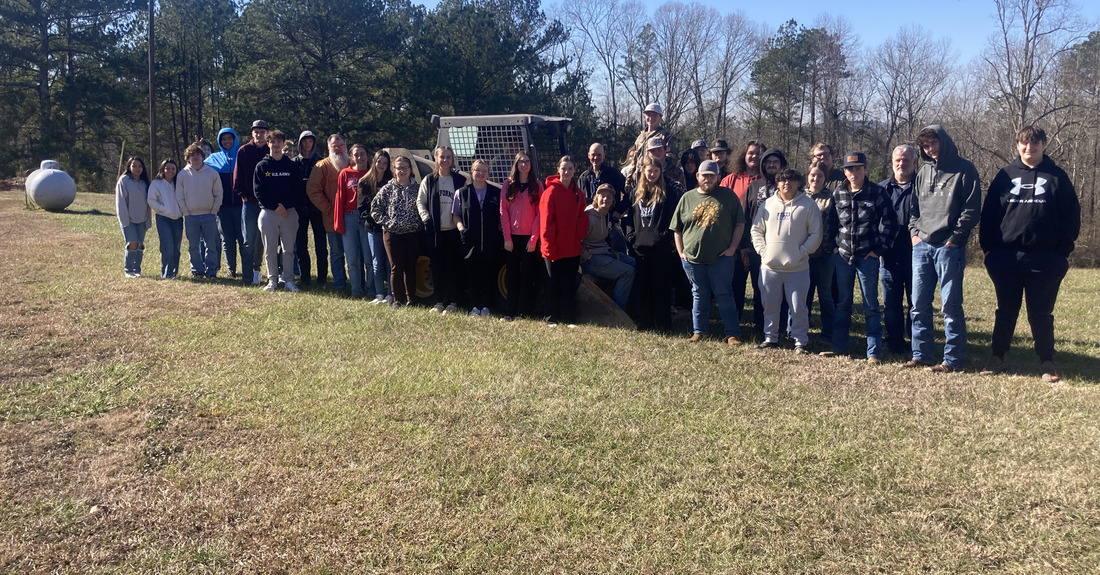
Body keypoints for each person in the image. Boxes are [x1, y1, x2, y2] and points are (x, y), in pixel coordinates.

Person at [979, 125, 1080, 382]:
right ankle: (997, 357)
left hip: (1046, 259)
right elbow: (989, 215)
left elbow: (1071, 216)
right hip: (1006, 257)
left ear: (1044, 145)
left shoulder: (1057, 176)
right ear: (1017, 145)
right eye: (1024, 143)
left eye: (1035, 143)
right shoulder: (1005, 175)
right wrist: (990, 251)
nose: (1029, 148)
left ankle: (1047, 362)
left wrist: (1061, 253)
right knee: (1006, 310)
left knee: (1041, 312)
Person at [905, 125, 982, 373]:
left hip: (948, 247)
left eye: (933, 144)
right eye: (925, 146)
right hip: (922, 246)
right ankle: (922, 354)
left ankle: (953, 360)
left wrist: (955, 238)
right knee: (918, 305)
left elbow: (971, 208)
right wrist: (914, 234)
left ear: (944, 142)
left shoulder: (965, 169)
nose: (930, 150)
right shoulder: (923, 172)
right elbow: (914, 207)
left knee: (950, 305)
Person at [822, 152, 898, 363]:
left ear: (865, 169)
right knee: (843, 303)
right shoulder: (838, 193)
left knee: (871, 305)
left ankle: (873, 351)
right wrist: (834, 247)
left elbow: (891, 223)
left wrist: (879, 249)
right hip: (843, 256)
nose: (853, 173)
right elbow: (830, 223)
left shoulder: (877, 192)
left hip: (868, 257)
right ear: (844, 171)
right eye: (849, 169)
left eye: (857, 168)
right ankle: (840, 347)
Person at [670, 159, 745, 345]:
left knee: (724, 293)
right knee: (699, 293)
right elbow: (677, 229)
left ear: (718, 177)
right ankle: (699, 331)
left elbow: (740, 224)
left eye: (712, 176)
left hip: (721, 258)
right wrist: (681, 252)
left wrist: (732, 248)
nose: (708, 179)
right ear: (698, 176)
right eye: (705, 176)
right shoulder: (687, 198)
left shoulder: (728, 196)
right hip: (692, 258)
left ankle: (732, 333)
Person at [751, 168, 822, 354]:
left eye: (791, 181)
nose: (786, 184)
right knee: (770, 305)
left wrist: (803, 252)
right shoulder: (767, 204)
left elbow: (816, 233)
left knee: (798, 307)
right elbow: (756, 230)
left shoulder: (808, 205)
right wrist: (762, 251)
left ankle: (800, 341)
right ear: (777, 183)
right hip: (770, 267)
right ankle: (770, 337)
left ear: (799, 183)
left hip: (797, 268)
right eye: (782, 181)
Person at [624, 157, 683, 332]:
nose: (652, 174)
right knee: (644, 285)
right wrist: (631, 237)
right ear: (644, 171)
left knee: (661, 286)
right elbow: (628, 218)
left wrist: (665, 238)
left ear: (660, 172)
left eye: (656, 171)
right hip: (640, 248)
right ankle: (645, 321)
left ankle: (663, 323)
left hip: (661, 248)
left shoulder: (667, 192)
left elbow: (674, 218)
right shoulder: (635, 192)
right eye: (649, 171)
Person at [738, 147, 787, 340]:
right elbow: (745, 217)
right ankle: (760, 326)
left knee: (779, 290)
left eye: (775, 161)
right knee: (760, 289)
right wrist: (743, 246)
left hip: (781, 248)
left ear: (782, 164)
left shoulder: (788, 186)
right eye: (768, 162)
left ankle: (780, 327)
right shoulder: (755, 186)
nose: (772, 165)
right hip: (755, 247)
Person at [540, 155, 589, 326]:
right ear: (558, 170)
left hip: (572, 248)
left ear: (574, 170)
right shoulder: (550, 193)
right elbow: (546, 223)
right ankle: (551, 317)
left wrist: (579, 234)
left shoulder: (578, 193)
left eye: (570, 168)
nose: (566, 171)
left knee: (568, 284)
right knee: (553, 283)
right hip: (554, 249)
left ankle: (568, 317)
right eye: (564, 168)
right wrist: (548, 248)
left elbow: (582, 215)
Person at [418, 146, 467, 314]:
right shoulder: (429, 180)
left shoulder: (460, 180)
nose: (445, 160)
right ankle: (439, 302)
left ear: (452, 160)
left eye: (448, 157)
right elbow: (420, 202)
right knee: (437, 268)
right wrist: (426, 218)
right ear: (436, 159)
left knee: (453, 267)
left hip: (453, 231)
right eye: (442, 157)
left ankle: (453, 302)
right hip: (435, 232)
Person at [879, 144, 918, 354]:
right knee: (891, 302)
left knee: (916, 302)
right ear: (892, 162)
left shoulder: (923, 187)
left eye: (906, 160)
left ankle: (916, 342)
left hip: (916, 255)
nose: (901, 164)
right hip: (888, 255)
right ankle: (893, 341)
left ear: (914, 162)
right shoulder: (882, 188)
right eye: (898, 160)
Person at [253, 130, 301, 292]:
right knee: (270, 250)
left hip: (289, 213)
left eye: (279, 141)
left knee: (288, 250)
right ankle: (272, 280)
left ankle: (289, 281)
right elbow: (258, 191)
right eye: (273, 142)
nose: (276, 145)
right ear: (268, 144)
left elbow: (298, 190)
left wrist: (285, 206)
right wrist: (275, 207)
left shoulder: (292, 166)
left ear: (283, 143)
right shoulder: (262, 166)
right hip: (268, 214)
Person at [371, 155, 422, 307]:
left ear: (410, 169)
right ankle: (397, 299)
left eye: (405, 168)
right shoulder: (387, 189)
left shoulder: (417, 188)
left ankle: (411, 298)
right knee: (396, 267)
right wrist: (388, 223)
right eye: (399, 168)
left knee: (410, 266)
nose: (402, 171)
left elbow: (424, 207)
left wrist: (419, 223)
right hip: (393, 234)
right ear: (394, 170)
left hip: (413, 233)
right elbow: (375, 209)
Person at [453, 159, 502, 317]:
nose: (481, 174)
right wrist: (461, 228)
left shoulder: (496, 193)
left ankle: (486, 306)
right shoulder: (461, 192)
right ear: (471, 172)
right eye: (477, 170)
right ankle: (474, 306)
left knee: (488, 275)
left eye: (484, 171)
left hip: (490, 241)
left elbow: (501, 216)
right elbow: (456, 214)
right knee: (472, 276)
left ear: (488, 173)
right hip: (470, 242)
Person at [500, 152, 543, 321]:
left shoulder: (537, 186)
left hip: (529, 239)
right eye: (521, 162)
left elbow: (540, 213)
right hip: (512, 238)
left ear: (531, 165)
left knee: (527, 275)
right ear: (516, 165)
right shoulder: (508, 185)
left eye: (527, 162)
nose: (524, 165)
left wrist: (534, 238)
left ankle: (523, 312)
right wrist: (507, 237)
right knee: (512, 275)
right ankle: (509, 311)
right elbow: (503, 212)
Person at [581, 184, 636, 310]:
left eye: (609, 197)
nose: (605, 199)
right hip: (591, 258)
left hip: (606, 253)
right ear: (596, 198)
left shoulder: (607, 217)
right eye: (602, 196)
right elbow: (574, 241)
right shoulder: (587, 217)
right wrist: (586, 255)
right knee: (627, 272)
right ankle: (617, 311)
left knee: (638, 264)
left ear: (613, 201)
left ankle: (635, 307)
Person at [306, 134, 350, 291]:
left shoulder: (353, 164)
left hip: (352, 218)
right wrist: (328, 209)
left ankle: (359, 283)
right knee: (337, 253)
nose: (338, 148)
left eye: (341, 145)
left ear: (346, 146)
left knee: (355, 254)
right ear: (328, 148)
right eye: (334, 146)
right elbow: (313, 190)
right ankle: (339, 284)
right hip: (332, 218)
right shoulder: (322, 166)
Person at [333, 144, 374, 298]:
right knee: (352, 258)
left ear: (367, 155)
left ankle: (371, 290)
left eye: (362, 154)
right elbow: (340, 198)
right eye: (356, 154)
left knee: (369, 258)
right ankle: (356, 290)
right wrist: (339, 222)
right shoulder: (345, 174)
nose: (360, 157)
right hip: (349, 217)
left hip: (366, 218)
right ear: (351, 157)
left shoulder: (371, 173)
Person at [232, 120, 270, 285]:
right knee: (248, 241)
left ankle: (257, 270)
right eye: (256, 131)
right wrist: (244, 196)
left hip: (268, 204)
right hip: (249, 203)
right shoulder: (244, 151)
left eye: (262, 131)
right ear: (252, 133)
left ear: (266, 134)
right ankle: (247, 276)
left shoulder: (272, 151)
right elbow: (237, 177)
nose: (259, 135)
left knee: (263, 240)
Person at [805, 161, 837, 344]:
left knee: (825, 296)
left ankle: (828, 333)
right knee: (803, 295)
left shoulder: (831, 198)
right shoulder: (799, 196)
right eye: (813, 175)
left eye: (820, 176)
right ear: (807, 176)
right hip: (803, 255)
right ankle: (800, 331)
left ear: (825, 179)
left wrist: (834, 245)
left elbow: (838, 223)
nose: (815, 178)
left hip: (825, 254)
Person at [204, 128, 242, 278]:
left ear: (235, 139)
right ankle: (231, 269)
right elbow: (196, 166)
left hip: (241, 206)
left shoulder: (242, 155)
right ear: (220, 142)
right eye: (223, 139)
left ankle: (248, 269)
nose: (227, 141)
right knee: (227, 239)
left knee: (243, 238)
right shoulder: (213, 159)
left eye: (229, 138)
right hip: (222, 207)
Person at [358, 150, 393, 305]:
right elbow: (361, 208)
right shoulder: (365, 182)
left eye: (385, 163)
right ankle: (379, 294)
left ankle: (391, 294)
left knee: (389, 262)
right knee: (376, 262)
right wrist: (375, 219)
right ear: (374, 162)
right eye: (379, 162)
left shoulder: (392, 181)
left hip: (390, 228)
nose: (382, 166)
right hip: (373, 228)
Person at [293, 130, 326, 287]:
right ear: (300, 143)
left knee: (320, 245)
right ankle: (305, 276)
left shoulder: (321, 162)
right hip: (299, 208)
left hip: (317, 209)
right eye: (304, 141)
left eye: (310, 141)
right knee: (301, 245)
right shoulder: (294, 163)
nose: (307, 144)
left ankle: (322, 279)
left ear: (314, 143)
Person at [115, 156, 151, 277]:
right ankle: (128, 270)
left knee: (140, 245)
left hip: (142, 219)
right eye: (134, 166)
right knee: (132, 243)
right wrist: (124, 220)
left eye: (140, 166)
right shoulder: (124, 180)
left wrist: (148, 219)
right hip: (128, 219)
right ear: (129, 167)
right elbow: (120, 201)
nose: (137, 168)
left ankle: (137, 269)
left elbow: (148, 204)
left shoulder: (145, 182)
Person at [147, 159, 183, 279]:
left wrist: (182, 210)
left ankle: (174, 272)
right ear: (163, 169)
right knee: (167, 246)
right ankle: (166, 273)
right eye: (167, 168)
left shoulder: (179, 183)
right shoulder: (157, 183)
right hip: (163, 218)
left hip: (178, 219)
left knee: (176, 247)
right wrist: (162, 209)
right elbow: (151, 200)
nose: (170, 171)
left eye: (173, 168)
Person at [624, 103, 677, 175]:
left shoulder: (665, 136)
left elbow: (672, 157)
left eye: (654, 115)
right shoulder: (640, 137)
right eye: (648, 115)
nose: (651, 118)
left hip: (657, 176)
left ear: (660, 117)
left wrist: (659, 171)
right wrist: (630, 177)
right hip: (639, 177)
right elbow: (635, 159)